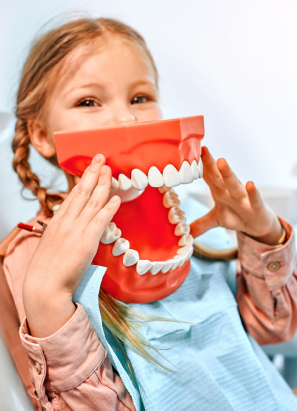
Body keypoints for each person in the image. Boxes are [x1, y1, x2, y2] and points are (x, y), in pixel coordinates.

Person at [3, 17, 297, 410]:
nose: (126, 119)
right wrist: (48, 298)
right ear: (41, 135)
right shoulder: (31, 256)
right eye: (88, 102)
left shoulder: (189, 216)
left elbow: (274, 331)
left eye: (140, 98)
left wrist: (261, 236)